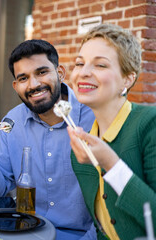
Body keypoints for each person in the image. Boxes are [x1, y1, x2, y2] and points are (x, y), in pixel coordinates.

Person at [0, 39, 96, 239]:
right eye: (23, 78)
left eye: (42, 72)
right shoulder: (12, 122)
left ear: (60, 73)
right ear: (15, 85)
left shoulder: (94, 118)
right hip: (25, 233)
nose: (34, 84)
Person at [67, 24, 156, 240]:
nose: (84, 72)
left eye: (100, 65)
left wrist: (111, 164)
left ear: (127, 79)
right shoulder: (80, 151)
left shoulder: (150, 124)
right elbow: (102, 228)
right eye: (80, 63)